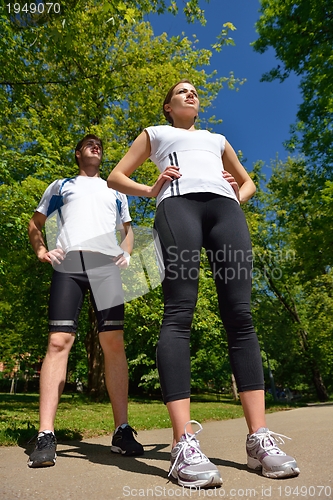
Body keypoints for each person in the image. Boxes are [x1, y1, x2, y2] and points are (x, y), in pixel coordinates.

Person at [107, 80, 300, 487]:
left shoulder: (217, 139)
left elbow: (248, 183)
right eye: (181, 91)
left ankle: (259, 439)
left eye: (194, 91)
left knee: (240, 315)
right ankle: (182, 443)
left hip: (225, 211)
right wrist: (150, 188)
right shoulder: (156, 135)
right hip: (177, 206)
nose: (191, 94)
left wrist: (238, 195)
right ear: (168, 106)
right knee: (179, 310)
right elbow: (115, 176)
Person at [27, 134, 144, 468]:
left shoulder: (115, 189)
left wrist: (126, 250)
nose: (97, 147)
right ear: (78, 153)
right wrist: (41, 250)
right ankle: (46, 435)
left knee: (114, 342)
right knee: (59, 341)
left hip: (106, 267)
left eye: (100, 145)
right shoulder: (60, 186)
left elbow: (128, 229)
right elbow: (35, 223)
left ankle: (122, 431)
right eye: (89, 144)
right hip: (69, 265)